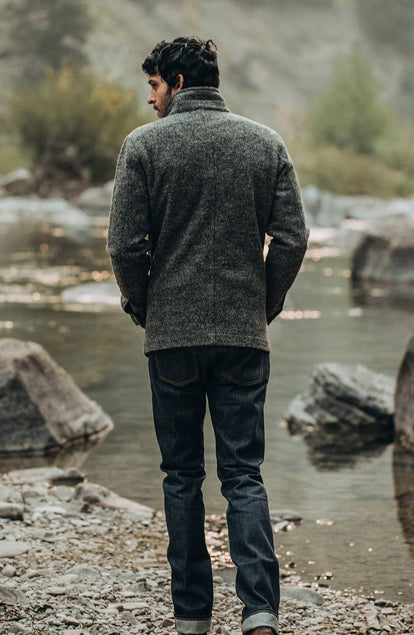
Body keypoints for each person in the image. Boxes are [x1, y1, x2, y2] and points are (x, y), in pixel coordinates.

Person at [107, 36, 309, 635]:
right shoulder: (264, 142)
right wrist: (265, 303)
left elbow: (123, 245)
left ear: (174, 80)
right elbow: (293, 239)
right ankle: (260, 611)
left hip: (172, 337)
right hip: (244, 337)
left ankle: (193, 615)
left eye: (153, 87)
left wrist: (145, 306)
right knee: (244, 474)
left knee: (182, 476)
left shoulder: (143, 146)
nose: (150, 99)